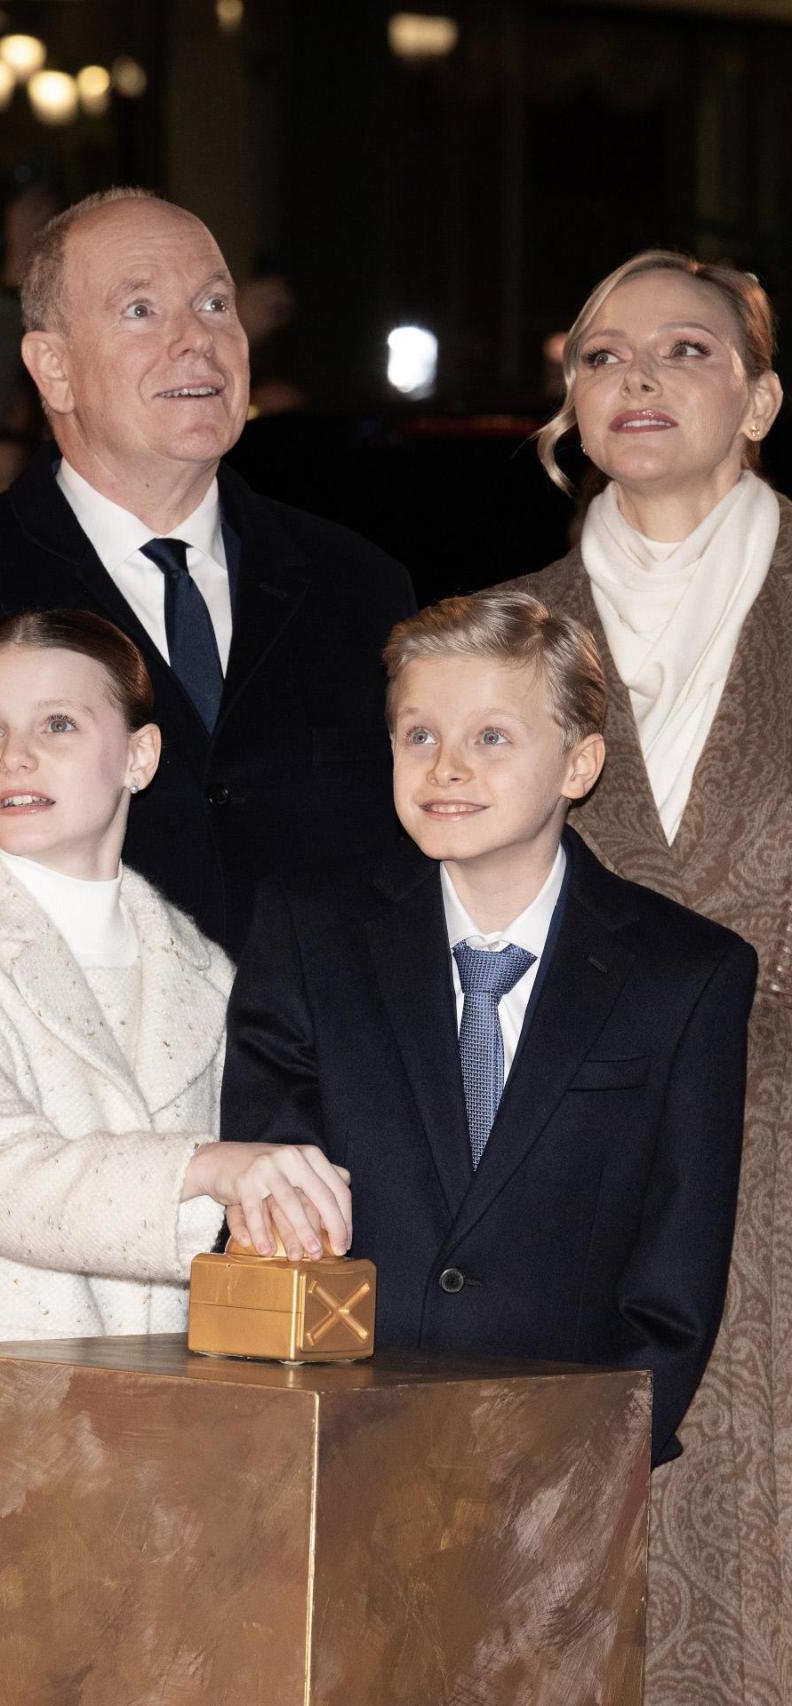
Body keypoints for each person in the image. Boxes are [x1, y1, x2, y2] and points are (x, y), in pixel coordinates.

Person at [0, 608, 352, 1706]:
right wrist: (209, 1168)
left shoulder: (208, 969)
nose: (14, 756)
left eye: (57, 723)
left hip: (162, 1448)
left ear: (141, 755)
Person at [0, 186, 413, 1112]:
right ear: (52, 369)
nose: (198, 339)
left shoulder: (359, 589)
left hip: (325, 1159)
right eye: (141, 310)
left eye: (216, 304)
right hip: (46, 1160)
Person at [221, 590, 756, 1471]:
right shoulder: (308, 934)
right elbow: (272, 1191)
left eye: (492, 738)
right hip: (331, 1450)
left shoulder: (685, 974)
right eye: (419, 735)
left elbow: (676, 1284)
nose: (446, 768)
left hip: (560, 1465)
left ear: (579, 766)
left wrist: (587, 1464)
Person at [503, 251, 789, 1705]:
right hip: (571, 1171)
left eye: (686, 350)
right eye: (603, 356)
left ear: (760, 396)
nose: (639, 380)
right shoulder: (495, 636)